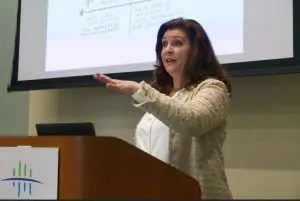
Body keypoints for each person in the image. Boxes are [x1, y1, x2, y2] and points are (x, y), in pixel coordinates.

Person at [94, 17, 233, 199]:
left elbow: (193, 121)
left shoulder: (212, 88)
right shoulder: (162, 95)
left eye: (177, 43)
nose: (168, 49)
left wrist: (138, 89)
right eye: (164, 44)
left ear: (196, 51)